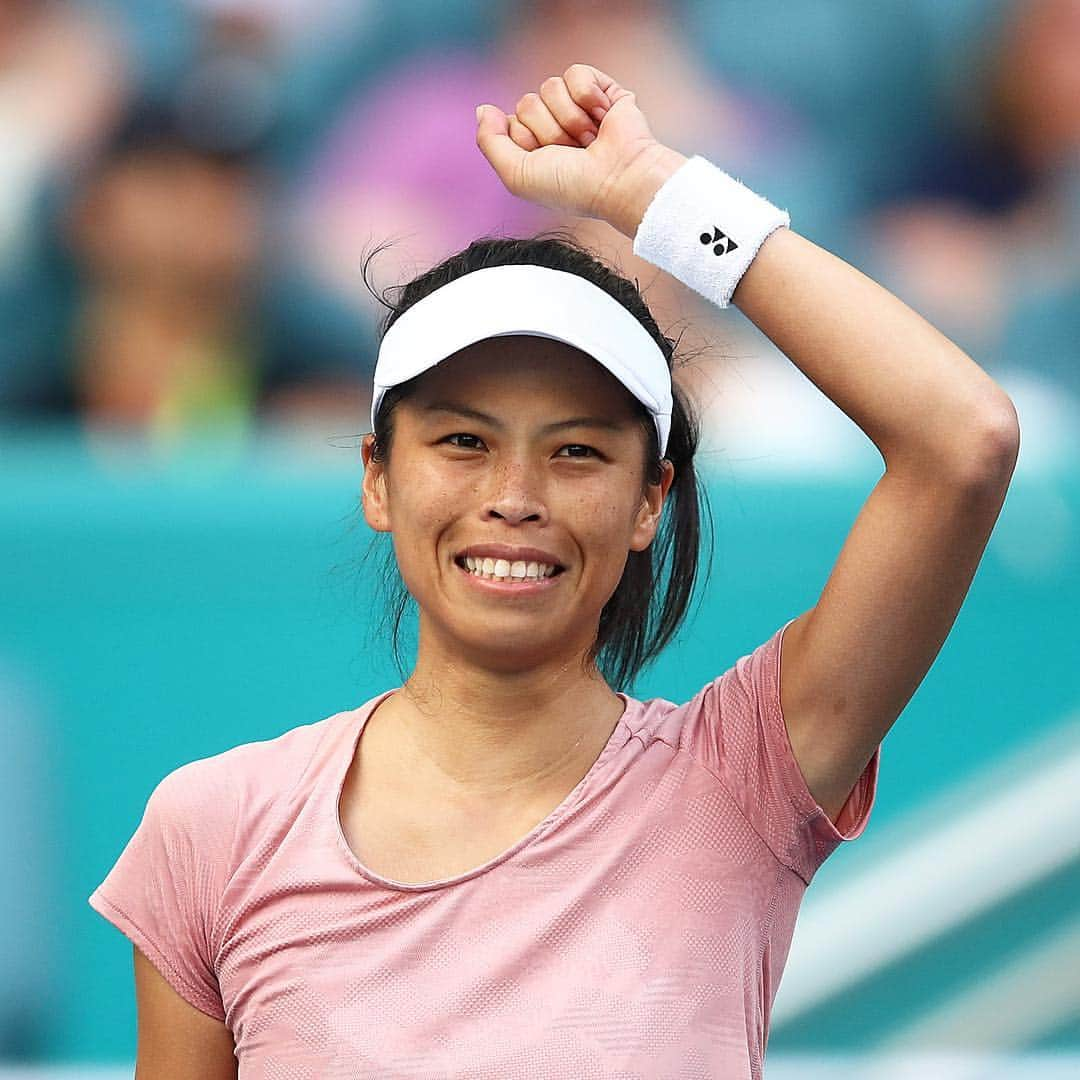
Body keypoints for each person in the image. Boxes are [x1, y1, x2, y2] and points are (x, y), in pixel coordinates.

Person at [87, 64, 1020, 1078]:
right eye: (463, 443)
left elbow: (961, 439)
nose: (516, 495)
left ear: (649, 500)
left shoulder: (738, 780)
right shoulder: (214, 827)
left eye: (576, 451)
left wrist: (653, 195)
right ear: (378, 477)